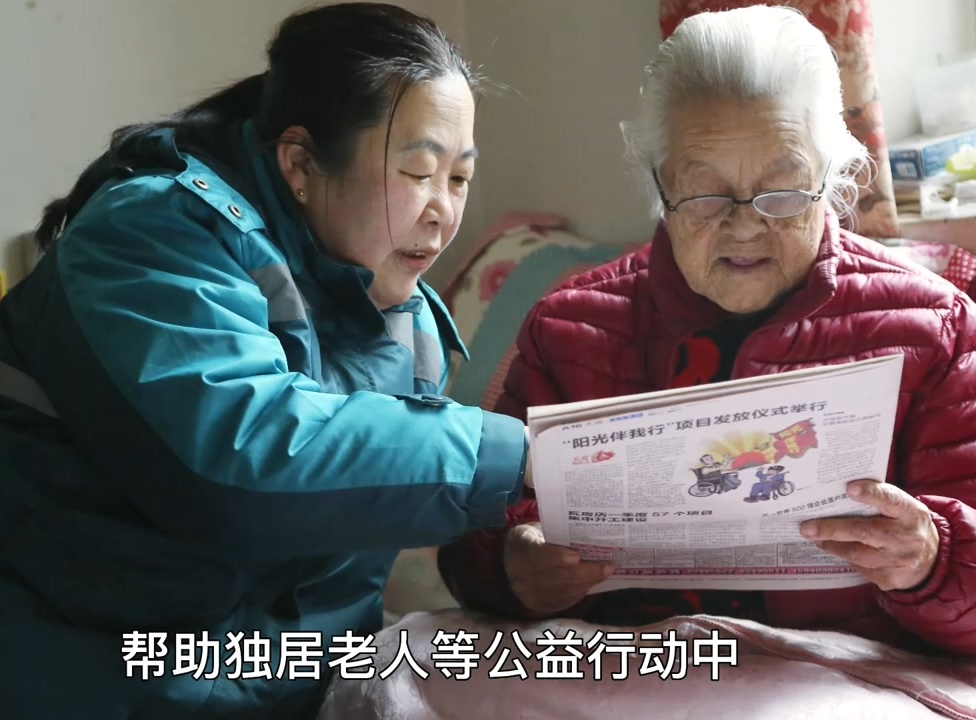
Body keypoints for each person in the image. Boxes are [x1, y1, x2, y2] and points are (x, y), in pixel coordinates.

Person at [0, 4, 530, 718]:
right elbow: (241, 459)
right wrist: (510, 454)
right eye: (417, 171)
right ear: (300, 163)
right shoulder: (144, 236)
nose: (443, 212)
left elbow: (340, 599)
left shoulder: (406, 322)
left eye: (459, 179)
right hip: (81, 669)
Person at [438, 5, 976, 655]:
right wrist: (511, 569)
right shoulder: (569, 329)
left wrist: (931, 561)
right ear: (660, 185)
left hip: (842, 677)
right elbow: (473, 537)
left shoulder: (935, 330)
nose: (744, 226)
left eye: (783, 191)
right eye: (705, 195)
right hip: (631, 672)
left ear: (831, 179)